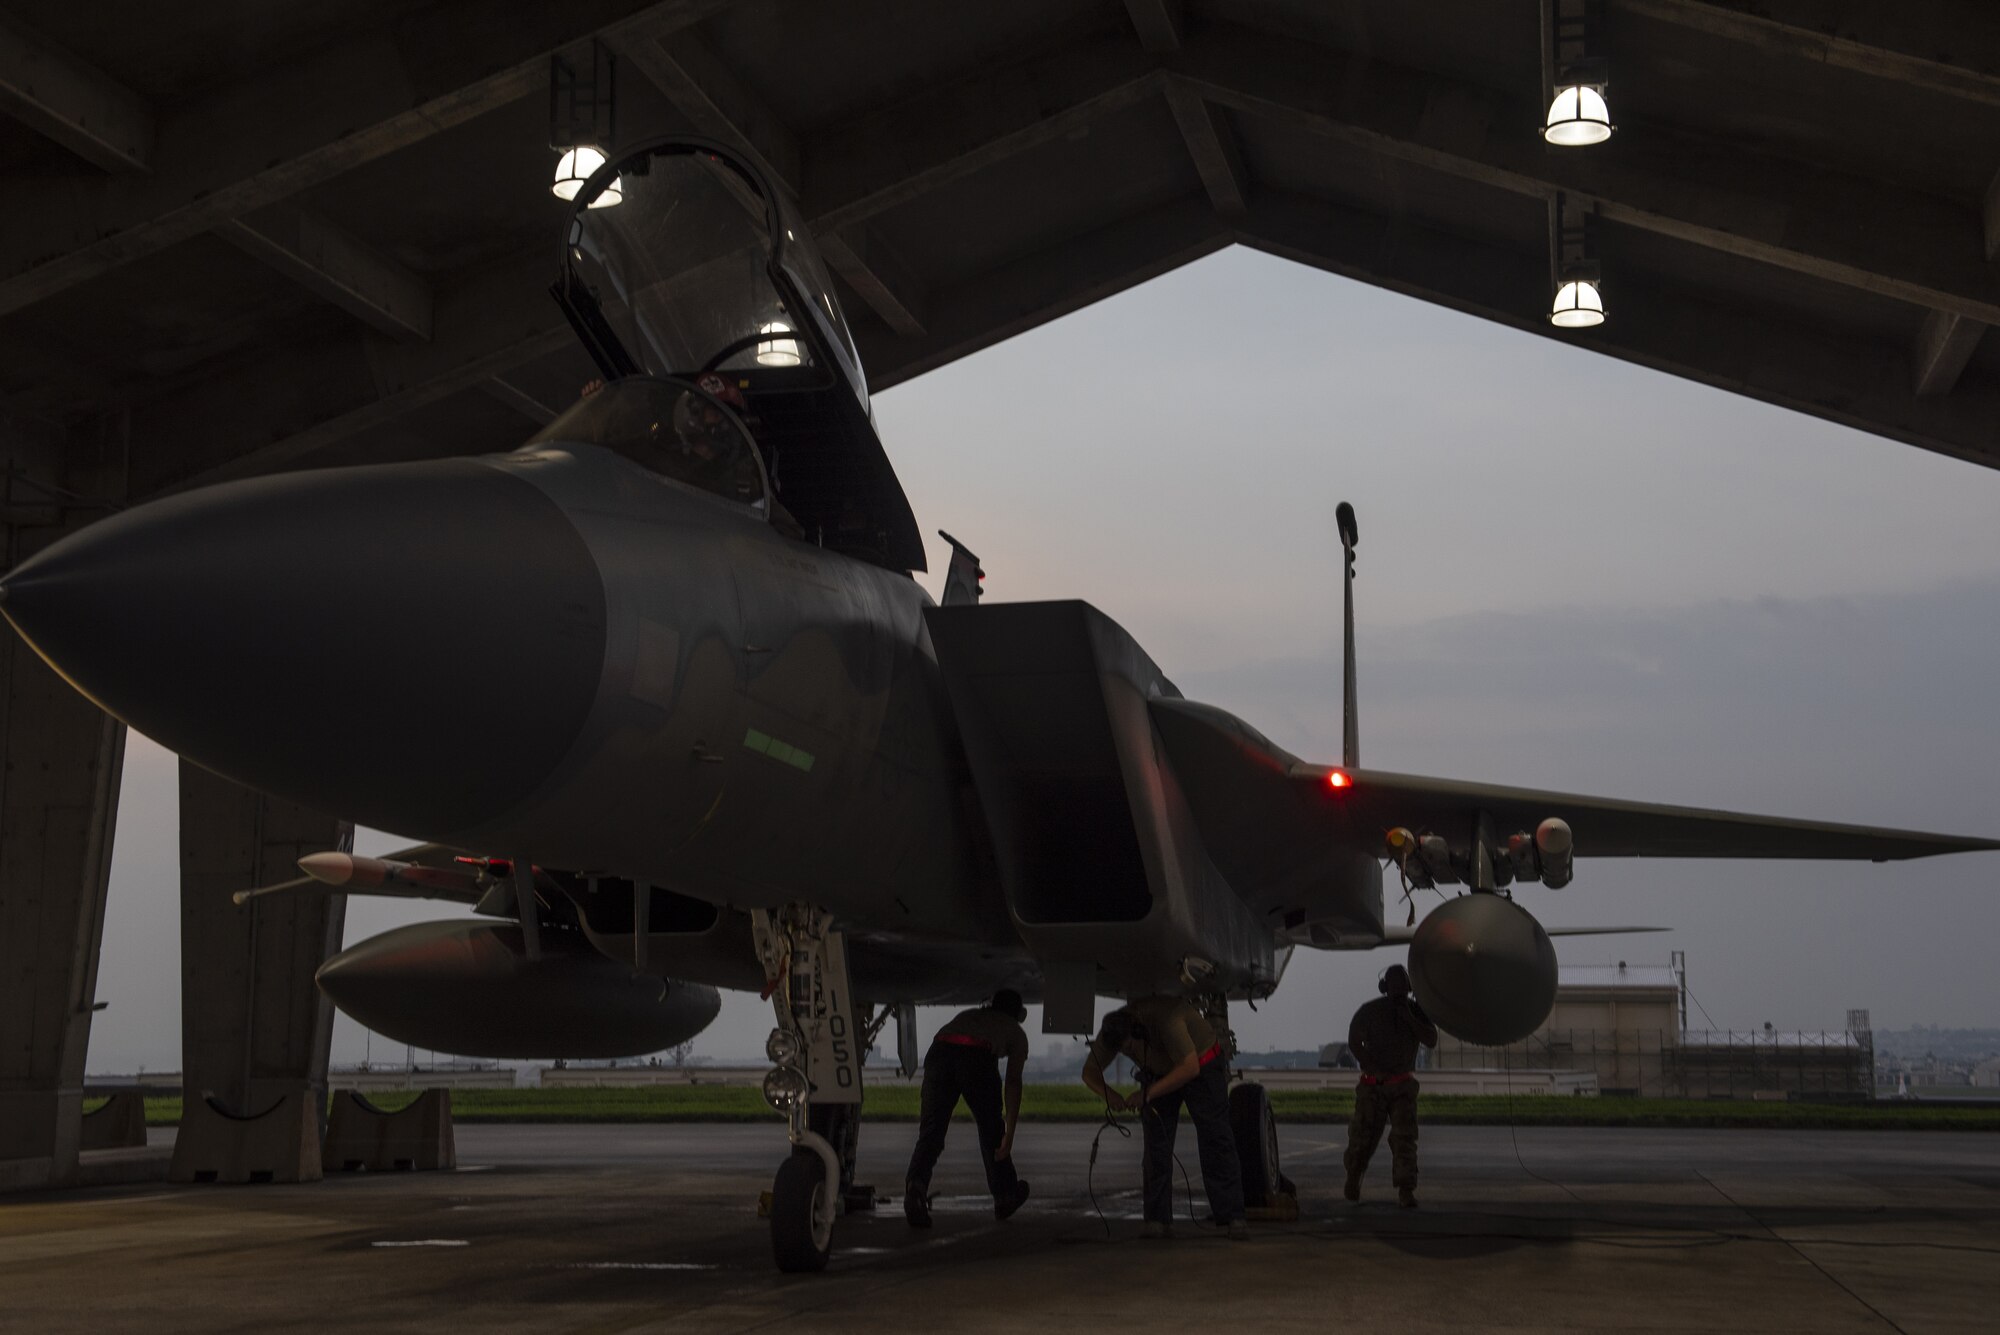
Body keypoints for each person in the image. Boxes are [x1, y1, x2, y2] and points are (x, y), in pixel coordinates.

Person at [1083, 995, 1248, 1240]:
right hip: (1158, 1072)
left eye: (1129, 1048)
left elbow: (1190, 1067)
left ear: (1138, 1031)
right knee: (1155, 1147)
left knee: (1215, 1138)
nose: (1127, 1053)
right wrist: (1111, 1096)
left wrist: (1148, 1094)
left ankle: (1233, 1216)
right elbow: (1089, 1072)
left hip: (1201, 1065)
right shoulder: (1113, 1032)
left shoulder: (1168, 1020)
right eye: (1121, 1051)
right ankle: (1156, 1219)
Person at [904, 989, 1033, 1227]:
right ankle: (1005, 1196)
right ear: (1019, 1014)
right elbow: (1013, 1082)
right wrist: (1010, 1134)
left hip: (939, 1051)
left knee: (931, 1132)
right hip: (977, 1056)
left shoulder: (969, 1014)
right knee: (991, 1130)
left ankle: (915, 1189)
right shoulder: (1016, 1032)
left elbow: (951, 1040)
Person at [1343, 963, 1439, 1208]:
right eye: (1394, 984)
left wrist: (1409, 1017)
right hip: (1373, 1086)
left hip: (1402, 1087)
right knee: (1362, 1138)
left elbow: (1431, 1039)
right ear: (1385, 987)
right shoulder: (1371, 1011)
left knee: (1405, 1140)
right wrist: (1369, 1063)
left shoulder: (1416, 1012)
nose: (1398, 990)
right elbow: (1354, 1039)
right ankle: (1354, 1176)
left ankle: (1406, 1190)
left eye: (1401, 985)